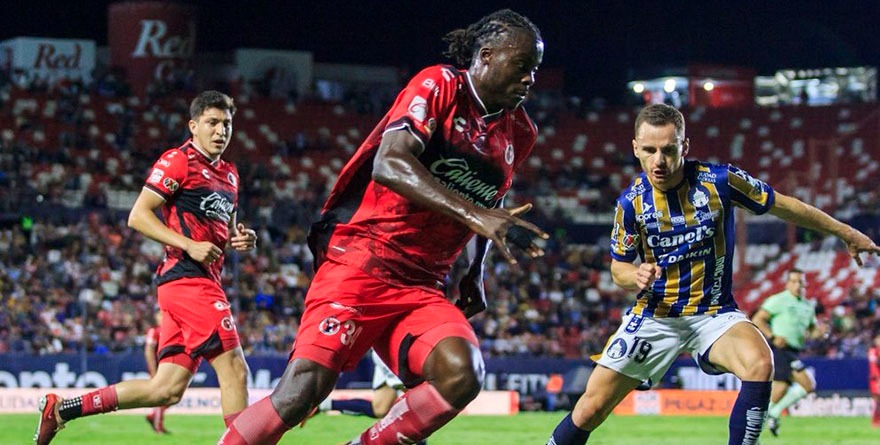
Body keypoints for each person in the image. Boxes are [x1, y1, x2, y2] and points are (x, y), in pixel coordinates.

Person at [218, 9, 547, 445]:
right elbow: (389, 163)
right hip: (363, 259)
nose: (530, 79)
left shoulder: (519, 133)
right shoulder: (441, 84)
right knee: (303, 390)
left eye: (535, 70)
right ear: (485, 56)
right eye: (522, 65)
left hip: (422, 283)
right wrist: (477, 217)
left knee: (461, 373)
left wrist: (475, 272)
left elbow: (491, 204)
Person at [546, 103, 880, 445]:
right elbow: (619, 268)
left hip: (714, 314)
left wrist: (845, 232)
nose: (659, 161)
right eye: (649, 150)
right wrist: (636, 275)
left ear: (685, 146)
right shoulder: (630, 204)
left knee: (760, 362)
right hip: (656, 317)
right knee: (590, 410)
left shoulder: (720, 181)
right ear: (635, 148)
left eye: (668, 150)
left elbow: (784, 205)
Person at [35, 90, 258, 445]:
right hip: (187, 280)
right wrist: (188, 245)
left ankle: (62, 409)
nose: (221, 131)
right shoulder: (178, 160)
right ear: (193, 125)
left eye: (227, 124)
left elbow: (225, 229)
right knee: (235, 369)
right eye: (212, 123)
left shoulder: (230, 173)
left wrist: (240, 237)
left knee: (165, 390)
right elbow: (138, 215)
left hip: (198, 281)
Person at [751, 268, 823, 436]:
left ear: (805, 284)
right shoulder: (778, 300)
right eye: (794, 281)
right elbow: (758, 319)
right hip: (781, 349)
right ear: (787, 283)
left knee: (780, 390)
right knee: (808, 384)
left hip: (794, 351)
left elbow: (812, 331)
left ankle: (755, 428)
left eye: (801, 282)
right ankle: (772, 415)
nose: (797, 285)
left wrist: (821, 333)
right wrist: (772, 336)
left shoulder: (807, 306)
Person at [144, 312, 170, 434]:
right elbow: (149, 351)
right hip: (159, 368)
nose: (162, 318)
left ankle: (153, 415)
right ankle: (158, 425)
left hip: (169, 368)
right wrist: (153, 371)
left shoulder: (170, 331)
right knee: (161, 395)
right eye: (160, 315)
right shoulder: (154, 331)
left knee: (172, 395)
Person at [870, 333, 880, 428]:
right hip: (876, 379)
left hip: (876, 378)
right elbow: (874, 366)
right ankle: (875, 420)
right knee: (877, 400)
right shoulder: (873, 351)